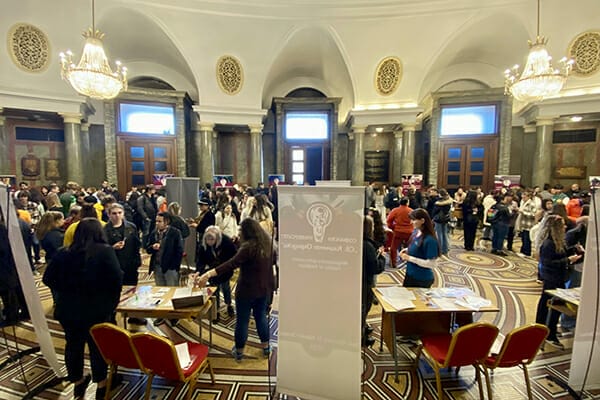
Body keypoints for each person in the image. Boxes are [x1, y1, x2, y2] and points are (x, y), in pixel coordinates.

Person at [42, 218, 123, 400]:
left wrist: (65, 289)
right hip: (97, 310)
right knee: (98, 348)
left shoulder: (63, 253)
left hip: (68, 310)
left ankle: (78, 382)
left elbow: (47, 279)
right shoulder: (105, 251)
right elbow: (116, 279)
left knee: (73, 346)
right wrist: (110, 303)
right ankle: (101, 385)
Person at [192, 218, 276, 361]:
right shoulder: (268, 245)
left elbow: (231, 264)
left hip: (246, 291)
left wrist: (208, 274)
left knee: (242, 321)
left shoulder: (248, 247)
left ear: (247, 232)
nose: (239, 232)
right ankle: (266, 347)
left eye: (241, 230)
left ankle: (239, 351)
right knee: (261, 317)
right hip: (263, 289)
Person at [534, 215, 582, 349]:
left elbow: (561, 254)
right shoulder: (548, 243)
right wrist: (568, 260)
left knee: (553, 305)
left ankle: (548, 329)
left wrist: (574, 251)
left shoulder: (557, 241)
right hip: (551, 278)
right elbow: (549, 262)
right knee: (550, 305)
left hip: (556, 277)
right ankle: (546, 332)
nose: (565, 227)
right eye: (562, 225)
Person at [196, 226, 237, 321]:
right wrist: (199, 272)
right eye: (207, 239)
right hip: (212, 271)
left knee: (226, 288)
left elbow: (233, 258)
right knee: (215, 291)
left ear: (217, 238)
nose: (209, 242)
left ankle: (229, 304)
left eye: (212, 239)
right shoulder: (203, 244)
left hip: (225, 270)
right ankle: (216, 311)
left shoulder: (226, 242)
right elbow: (200, 260)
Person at [399, 208, 440, 288]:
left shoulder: (430, 240)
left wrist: (409, 258)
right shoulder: (416, 232)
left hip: (422, 279)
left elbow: (432, 264)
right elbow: (418, 247)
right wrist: (407, 250)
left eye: (414, 220)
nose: (411, 222)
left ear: (422, 221)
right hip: (410, 274)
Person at [103, 204, 142, 286]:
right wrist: (113, 247)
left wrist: (137, 262)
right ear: (109, 215)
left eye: (119, 213)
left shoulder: (131, 227)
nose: (117, 215)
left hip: (130, 264)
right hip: (114, 264)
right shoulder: (105, 230)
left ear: (123, 213)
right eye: (114, 213)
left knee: (131, 288)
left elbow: (137, 245)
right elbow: (102, 250)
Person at [361, 215, 385, 347]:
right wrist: (381, 257)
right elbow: (375, 267)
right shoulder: (367, 246)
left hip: (357, 280)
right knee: (364, 308)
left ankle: (363, 327)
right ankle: (362, 337)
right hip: (365, 283)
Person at [146, 212, 183, 288]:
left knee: (172, 288)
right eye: (156, 221)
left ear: (166, 222)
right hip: (157, 266)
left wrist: (174, 266)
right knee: (160, 289)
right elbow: (148, 249)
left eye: (159, 221)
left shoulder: (175, 233)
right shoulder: (154, 233)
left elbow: (179, 251)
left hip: (170, 267)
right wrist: (152, 247)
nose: (157, 223)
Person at [386, 197, 413, 267]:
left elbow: (389, 220)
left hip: (398, 231)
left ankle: (393, 263)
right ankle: (409, 261)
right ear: (407, 203)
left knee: (394, 248)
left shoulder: (395, 210)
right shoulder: (411, 211)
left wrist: (392, 227)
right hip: (409, 232)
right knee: (410, 247)